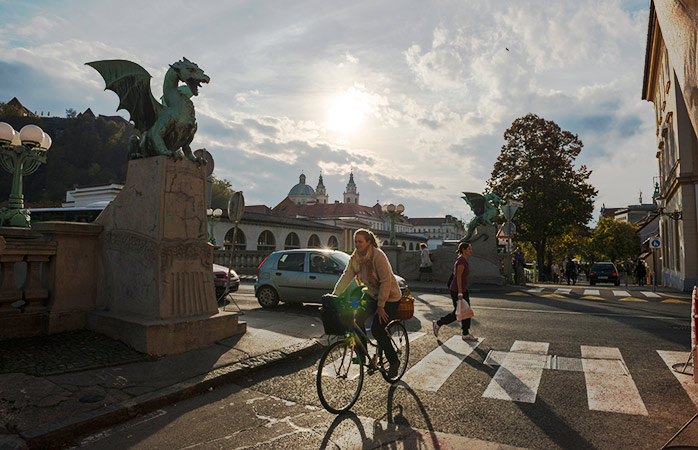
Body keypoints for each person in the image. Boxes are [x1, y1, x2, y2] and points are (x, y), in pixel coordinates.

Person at [332, 228, 403, 377]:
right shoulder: (355, 258)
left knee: (377, 329)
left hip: (389, 297)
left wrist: (381, 306)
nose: (357, 245)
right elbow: (347, 275)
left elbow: (385, 282)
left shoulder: (378, 256)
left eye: (360, 242)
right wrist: (334, 295)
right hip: (372, 294)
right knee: (356, 319)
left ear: (368, 242)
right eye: (355, 242)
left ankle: (394, 361)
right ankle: (362, 354)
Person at [433, 242, 478, 341]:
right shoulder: (461, 261)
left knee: (465, 312)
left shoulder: (463, 260)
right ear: (464, 250)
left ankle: (465, 333)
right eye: (469, 249)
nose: (471, 250)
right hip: (458, 290)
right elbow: (458, 278)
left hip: (462, 289)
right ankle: (438, 323)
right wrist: (460, 293)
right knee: (458, 313)